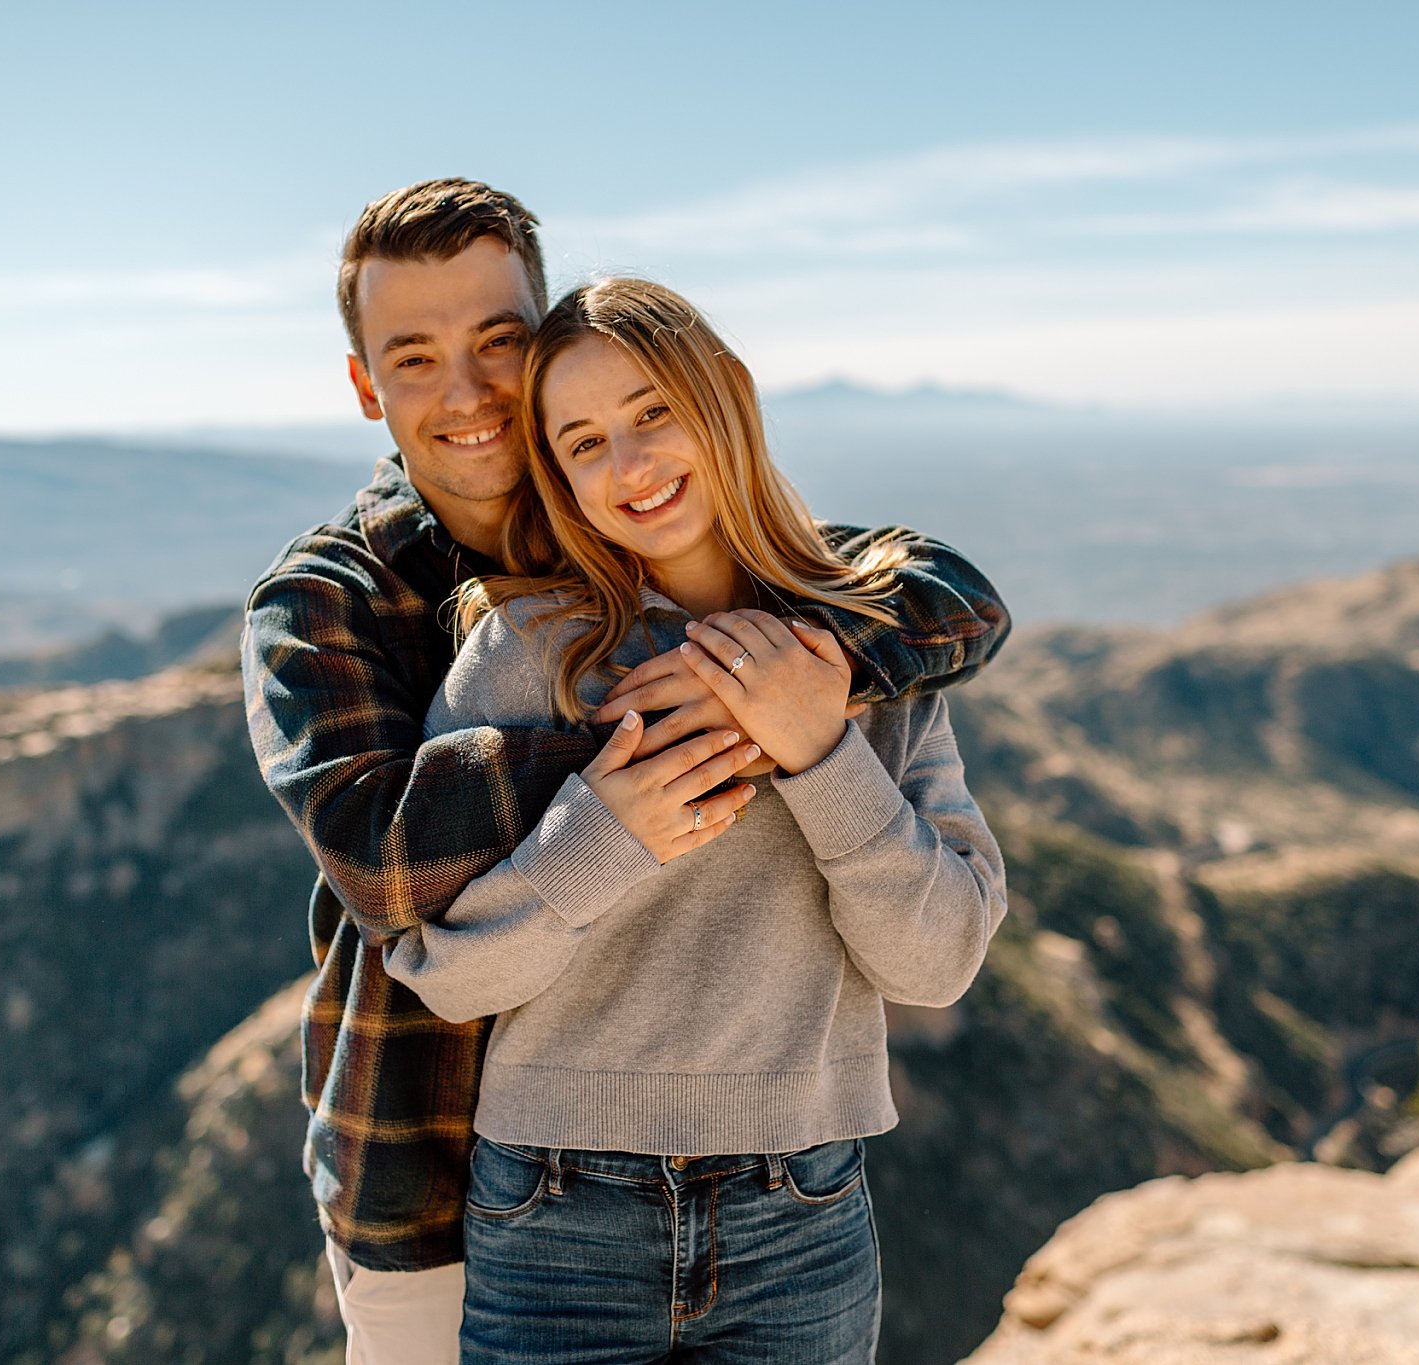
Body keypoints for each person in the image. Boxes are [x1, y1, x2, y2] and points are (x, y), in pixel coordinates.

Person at [241, 179, 1011, 1364]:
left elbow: (945, 598)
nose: (467, 392)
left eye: (498, 343)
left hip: (795, 1198)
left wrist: (808, 711)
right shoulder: (352, 607)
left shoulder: (826, 647)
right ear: (366, 387)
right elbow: (392, 879)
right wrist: (658, 756)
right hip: (451, 1180)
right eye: (414, 356)